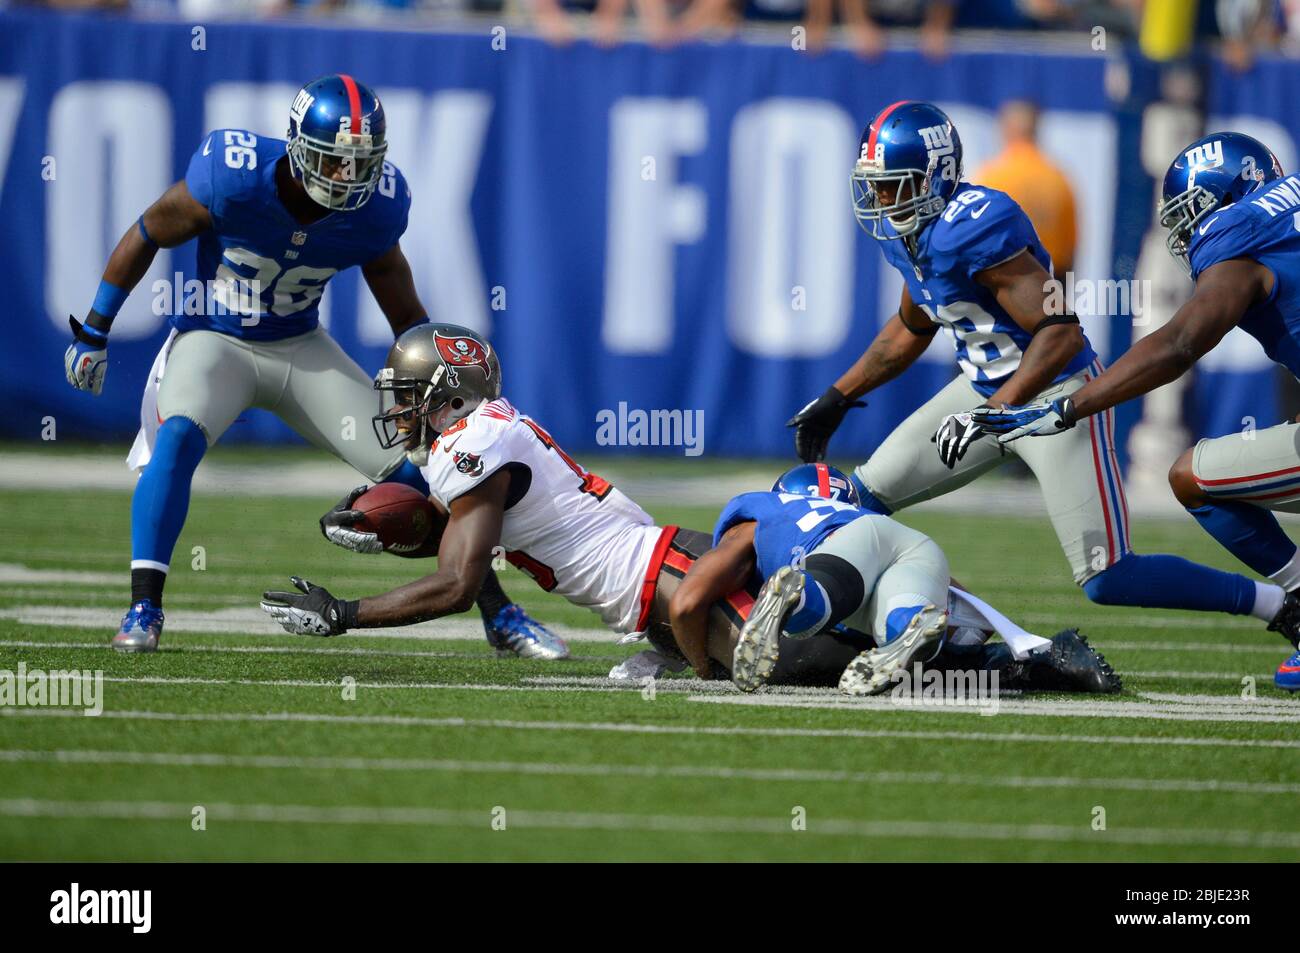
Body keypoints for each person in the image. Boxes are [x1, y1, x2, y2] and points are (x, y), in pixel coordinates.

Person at [259, 326, 1118, 695]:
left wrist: (345, 613)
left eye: (410, 394)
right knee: (858, 627)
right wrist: (389, 523)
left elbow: (459, 579)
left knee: (853, 666)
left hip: (675, 579)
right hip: (663, 581)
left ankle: (1034, 665)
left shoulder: (475, 445)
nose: (399, 410)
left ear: (447, 395)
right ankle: (1023, 649)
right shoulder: (480, 438)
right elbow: (466, 549)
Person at [64, 74, 561, 658]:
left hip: (300, 348)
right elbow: (148, 230)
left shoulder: (374, 211)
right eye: (333, 160)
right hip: (215, 340)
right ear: (298, 146)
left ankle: (500, 614)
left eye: (360, 163)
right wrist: (95, 330)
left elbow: (398, 297)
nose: (347, 177)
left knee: (418, 480)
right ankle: (143, 608)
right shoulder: (233, 175)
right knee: (176, 440)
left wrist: (440, 388)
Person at [784, 101, 1300, 660]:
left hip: (1052, 395)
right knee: (859, 500)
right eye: (876, 186)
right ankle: (852, 622)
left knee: (1108, 578)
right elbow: (913, 324)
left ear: (932, 177)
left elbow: (1061, 334)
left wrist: (1006, 408)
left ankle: (1278, 606)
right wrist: (840, 395)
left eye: (893, 186)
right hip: (980, 392)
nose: (881, 200)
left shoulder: (975, 226)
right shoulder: (909, 234)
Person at [971, 132, 1300, 690]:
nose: (1188, 233)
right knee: (1199, 473)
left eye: (1190, 214)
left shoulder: (1239, 234)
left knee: (1194, 479)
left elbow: (1179, 344)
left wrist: (1070, 408)